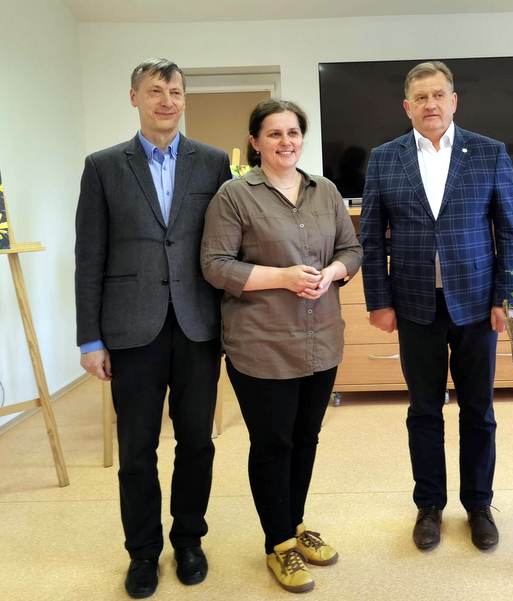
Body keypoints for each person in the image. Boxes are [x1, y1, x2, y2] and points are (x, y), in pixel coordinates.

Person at [74, 58, 231, 599]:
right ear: (134, 97)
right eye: (156, 91)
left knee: (197, 442)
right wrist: (90, 339)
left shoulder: (212, 162)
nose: (167, 101)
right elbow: (89, 256)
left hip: (197, 325)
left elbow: (226, 245)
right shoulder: (103, 166)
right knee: (137, 449)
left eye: (176, 92)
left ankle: (188, 540)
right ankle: (142, 552)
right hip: (130, 328)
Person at [360, 61, 513, 551]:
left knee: (479, 410)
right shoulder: (384, 158)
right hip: (414, 304)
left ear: (453, 101)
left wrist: (506, 297)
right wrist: (378, 300)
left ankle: (479, 505)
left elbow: (510, 231)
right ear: (407, 107)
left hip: (476, 302)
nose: (430, 104)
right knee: (424, 410)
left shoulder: (489, 152)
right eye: (420, 97)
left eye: (438, 95)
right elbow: (371, 237)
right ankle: (429, 506)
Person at [200, 99, 362, 594]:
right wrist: (283, 278)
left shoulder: (325, 190)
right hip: (261, 344)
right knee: (274, 443)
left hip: (322, 340)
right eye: (274, 134)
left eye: (293, 132)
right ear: (255, 142)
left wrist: (332, 273)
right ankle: (278, 544)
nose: (285, 142)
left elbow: (351, 249)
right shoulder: (234, 195)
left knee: (306, 437)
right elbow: (215, 265)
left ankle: (294, 523)